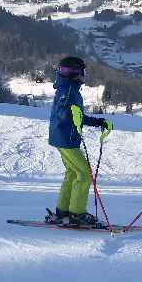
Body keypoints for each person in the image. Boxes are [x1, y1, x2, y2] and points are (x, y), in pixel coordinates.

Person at [47, 56, 113, 227]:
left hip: (62, 137)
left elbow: (77, 116)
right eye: (82, 72)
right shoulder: (68, 90)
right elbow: (64, 112)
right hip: (66, 138)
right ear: (76, 73)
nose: (83, 76)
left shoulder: (67, 88)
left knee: (72, 173)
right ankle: (77, 213)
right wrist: (69, 115)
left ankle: (63, 211)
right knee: (84, 174)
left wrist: (97, 121)